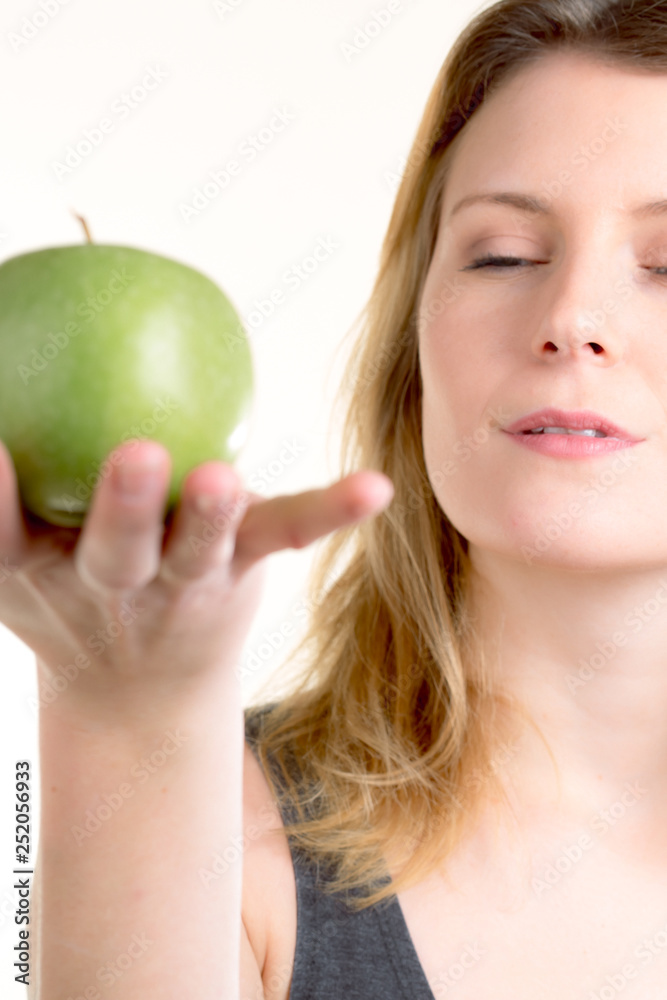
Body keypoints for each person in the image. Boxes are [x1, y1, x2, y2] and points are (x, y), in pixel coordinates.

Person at [5, 0, 667, 996]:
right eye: (503, 255)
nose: (569, 317)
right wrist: (125, 708)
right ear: (414, 351)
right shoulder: (220, 843)